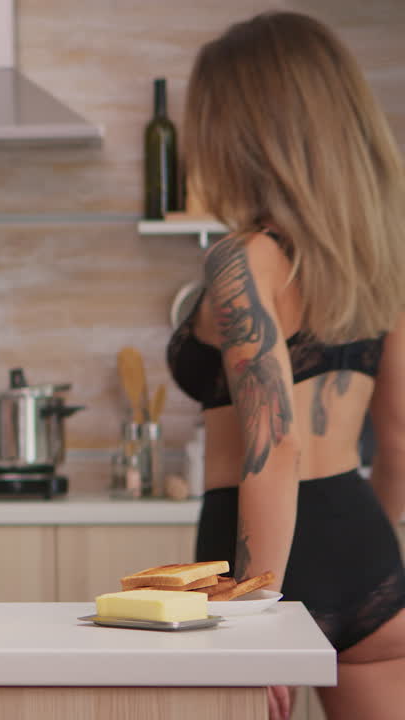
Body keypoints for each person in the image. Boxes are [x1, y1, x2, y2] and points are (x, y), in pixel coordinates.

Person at [165, 10, 405, 720]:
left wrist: (254, 613)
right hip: (365, 549)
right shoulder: (378, 257)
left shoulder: (240, 260)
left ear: (240, 128)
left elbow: (275, 445)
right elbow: (396, 440)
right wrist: (373, 564)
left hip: (259, 566)